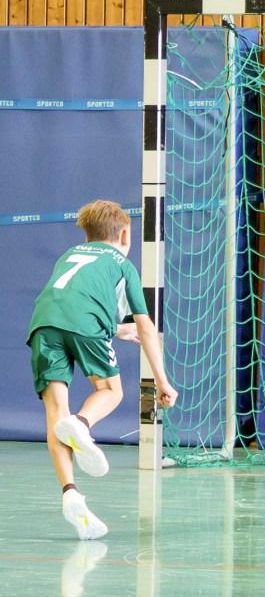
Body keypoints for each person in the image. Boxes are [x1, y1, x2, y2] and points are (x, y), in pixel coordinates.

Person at [27, 200, 178, 540]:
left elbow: (71, 305)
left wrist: (115, 329)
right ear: (125, 235)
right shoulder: (122, 264)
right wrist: (163, 382)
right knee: (110, 390)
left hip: (43, 325)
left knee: (55, 412)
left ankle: (70, 493)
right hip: (83, 324)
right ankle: (81, 423)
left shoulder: (69, 255)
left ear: (87, 233)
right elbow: (146, 327)